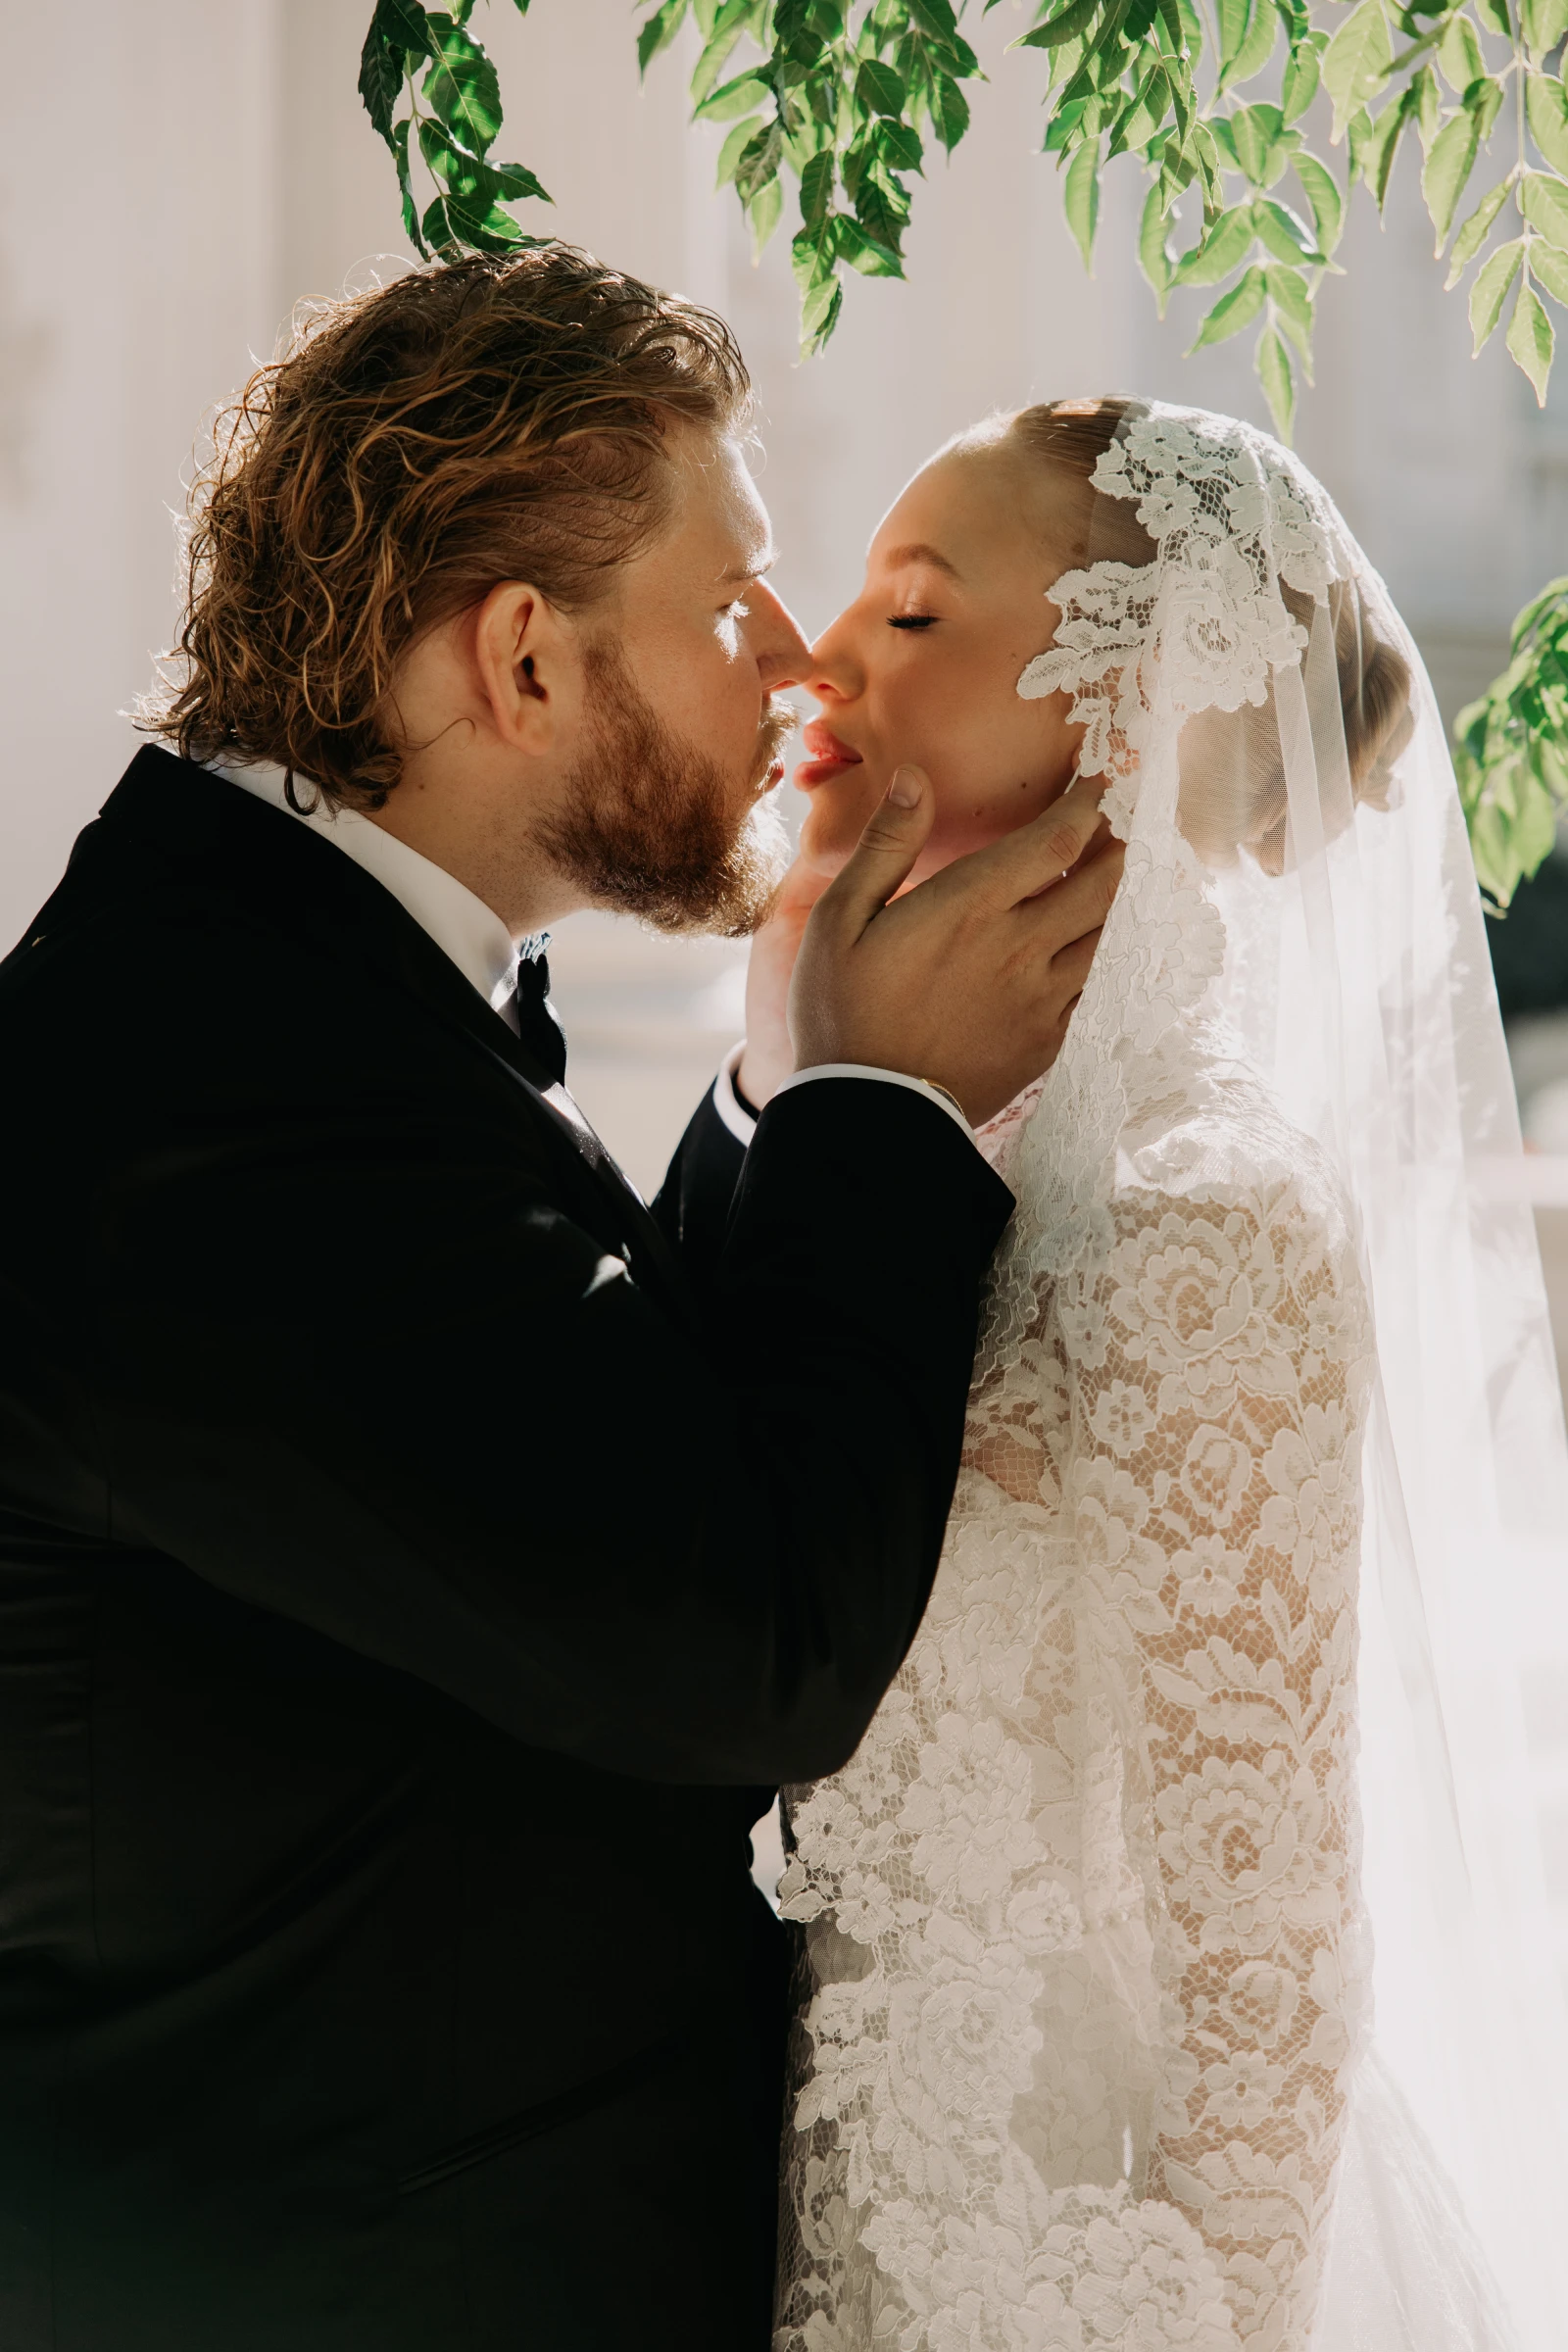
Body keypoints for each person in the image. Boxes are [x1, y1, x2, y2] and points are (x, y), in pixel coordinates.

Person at [0, 250, 1122, 2351]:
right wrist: (879, 1110)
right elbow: (738, 1640)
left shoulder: (286, 988)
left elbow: (571, 1420)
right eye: (731, 599)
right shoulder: (212, 1094)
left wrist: (786, 1089)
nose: (792, 659)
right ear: (521, 657)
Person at [761, 398, 1568, 2352]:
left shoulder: (1200, 1223)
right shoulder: (877, 1155)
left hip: (1044, 2277)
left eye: (914, 614)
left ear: (1126, 710)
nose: (819, 657)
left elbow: (1265, 1976)